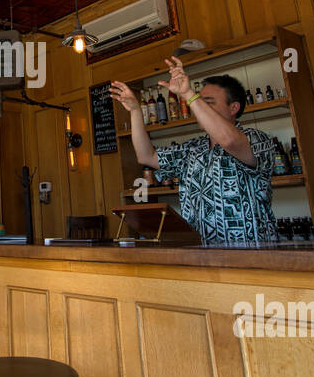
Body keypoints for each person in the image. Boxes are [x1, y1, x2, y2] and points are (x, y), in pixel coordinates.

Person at [111, 59, 278, 245]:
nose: (197, 107)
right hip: (200, 255)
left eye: (208, 102)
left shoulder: (257, 140)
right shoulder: (192, 149)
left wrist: (188, 93)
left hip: (252, 255)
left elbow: (229, 141)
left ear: (234, 108)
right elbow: (147, 156)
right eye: (198, 101)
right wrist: (135, 111)